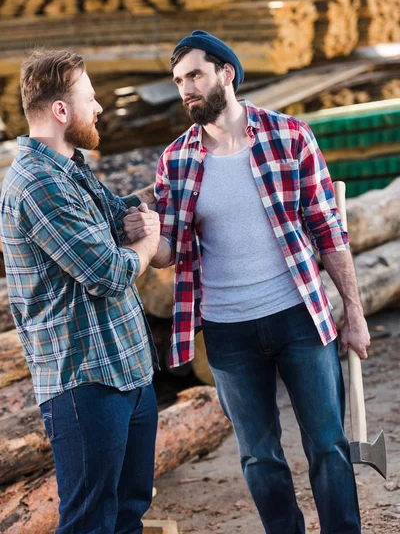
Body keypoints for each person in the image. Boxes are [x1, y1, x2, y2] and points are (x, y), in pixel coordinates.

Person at [124, 31, 371, 534]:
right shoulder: (176, 159)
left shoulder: (290, 135)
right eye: (177, 81)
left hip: (299, 316)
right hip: (227, 331)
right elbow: (169, 255)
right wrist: (148, 233)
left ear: (226, 73)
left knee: (327, 444)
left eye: (194, 75)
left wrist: (356, 315)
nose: (185, 88)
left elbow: (329, 233)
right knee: (258, 456)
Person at [0, 49, 161, 534]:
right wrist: (149, 241)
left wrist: (143, 212)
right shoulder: (35, 184)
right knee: (90, 522)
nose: (100, 109)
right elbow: (109, 271)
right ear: (61, 111)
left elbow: (118, 215)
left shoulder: (72, 168)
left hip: (129, 371)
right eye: (91, 99)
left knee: (130, 512)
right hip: (85, 384)